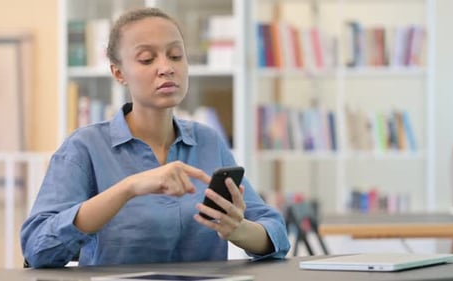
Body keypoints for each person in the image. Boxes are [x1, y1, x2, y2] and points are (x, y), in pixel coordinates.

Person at [20, 7, 290, 268]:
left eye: (175, 56)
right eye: (147, 59)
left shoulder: (208, 141)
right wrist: (129, 187)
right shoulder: (84, 147)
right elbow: (37, 248)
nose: (166, 68)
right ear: (119, 73)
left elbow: (276, 233)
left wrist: (239, 230)